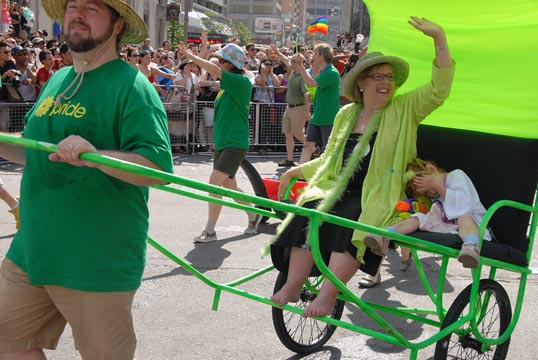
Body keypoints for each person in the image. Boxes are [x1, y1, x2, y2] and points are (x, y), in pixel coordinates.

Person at [0, 0, 174, 359]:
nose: (77, 14)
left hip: (95, 260)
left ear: (117, 26)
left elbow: (156, 169)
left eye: (92, 8)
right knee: (8, 343)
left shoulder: (132, 87)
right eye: (72, 6)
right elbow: (34, 150)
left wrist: (96, 156)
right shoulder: (61, 78)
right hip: (32, 251)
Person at [267, 16, 454, 318]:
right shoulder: (345, 115)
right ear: (362, 84)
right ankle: (293, 284)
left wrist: (439, 38)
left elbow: (440, 88)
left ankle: (328, 294)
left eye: (390, 77)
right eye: (378, 76)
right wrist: (293, 172)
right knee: (309, 208)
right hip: (336, 186)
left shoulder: (405, 108)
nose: (385, 83)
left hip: (377, 193)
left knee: (354, 217)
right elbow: (328, 161)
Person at [178, 41, 262, 243]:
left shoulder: (240, 82)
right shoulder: (227, 84)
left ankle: (210, 230)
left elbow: (213, 69)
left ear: (230, 64)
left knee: (214, 185)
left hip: (235, 141)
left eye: (222, 60)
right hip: (224, 141)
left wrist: (193, 55)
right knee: (230, 186)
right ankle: (254, 214)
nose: (219, 62)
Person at [364, 158, 489, 269]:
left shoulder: (456, 175)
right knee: (418, 218)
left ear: (431, 169)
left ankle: (471, 247)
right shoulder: (434, 194)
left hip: (473, 225)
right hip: (447, 225)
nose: (430, 195)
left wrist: (436, 185)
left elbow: (464, 206)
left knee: (464, 218)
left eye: (429, 190)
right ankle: (385, 236)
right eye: (426, 194)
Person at [293, 43, 340, 164]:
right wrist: (313, 98)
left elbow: (310, 83)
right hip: (318, 116)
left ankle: (325, 176)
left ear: (321, 56)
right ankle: (300, 172)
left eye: (315, 53)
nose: (312, 56)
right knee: (307, 145)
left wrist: (300, 66)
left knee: (327, 149)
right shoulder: (323, 72)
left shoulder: (331, 72)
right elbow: (323, 92)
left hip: (328, 117)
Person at [272, 45, 307, 167]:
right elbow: (285, 60)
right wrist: (277, 52)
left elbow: (307, 95)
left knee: (298, 134)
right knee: (287, 133)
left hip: (298, 108)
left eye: (292, 60)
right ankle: (289, 159)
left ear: (297, 63)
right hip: (289, 107)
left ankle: (313, 148)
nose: (289, 62)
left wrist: (307, 112)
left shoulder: (303, 76)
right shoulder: (293, 71)